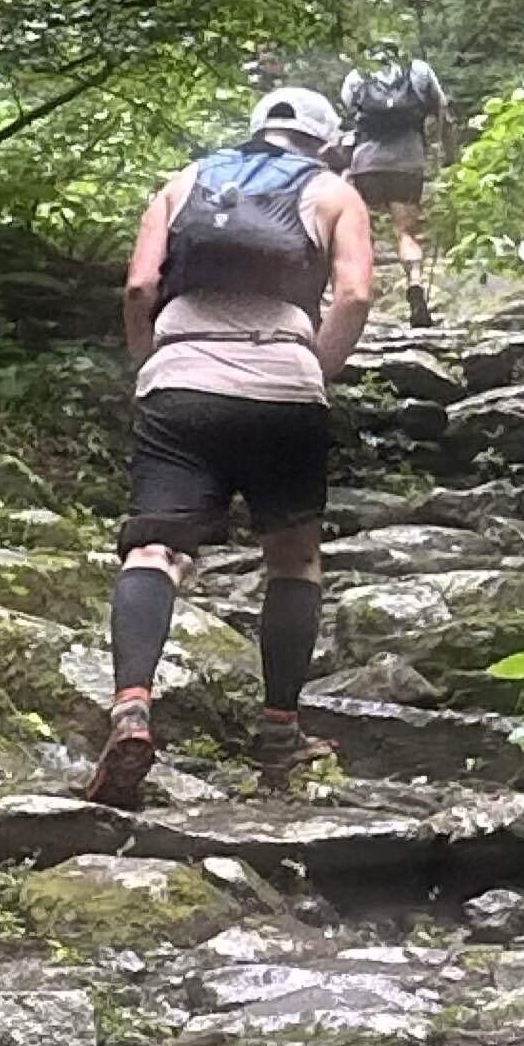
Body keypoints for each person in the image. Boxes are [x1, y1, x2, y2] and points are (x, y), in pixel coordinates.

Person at [105, 87, 378, 807]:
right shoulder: (334, 192)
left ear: (255, 130)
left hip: (181, 382)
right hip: (284, 390)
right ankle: (279, 731)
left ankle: (131, 708)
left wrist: (150, 364)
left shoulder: (186, 180)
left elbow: (139, 286)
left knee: (154, 550)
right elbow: (354, 295)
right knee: (293, 556)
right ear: (325, 141)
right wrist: (315, 369)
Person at [336, 52, 458, 324]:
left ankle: (357, 294)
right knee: (405, 232)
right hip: (407, 162)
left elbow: (349, 118)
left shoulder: (357, 76)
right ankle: (415, 284)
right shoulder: (419, 72)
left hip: (366, 164)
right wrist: (450, 158)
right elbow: (444, 116)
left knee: (362, 232)